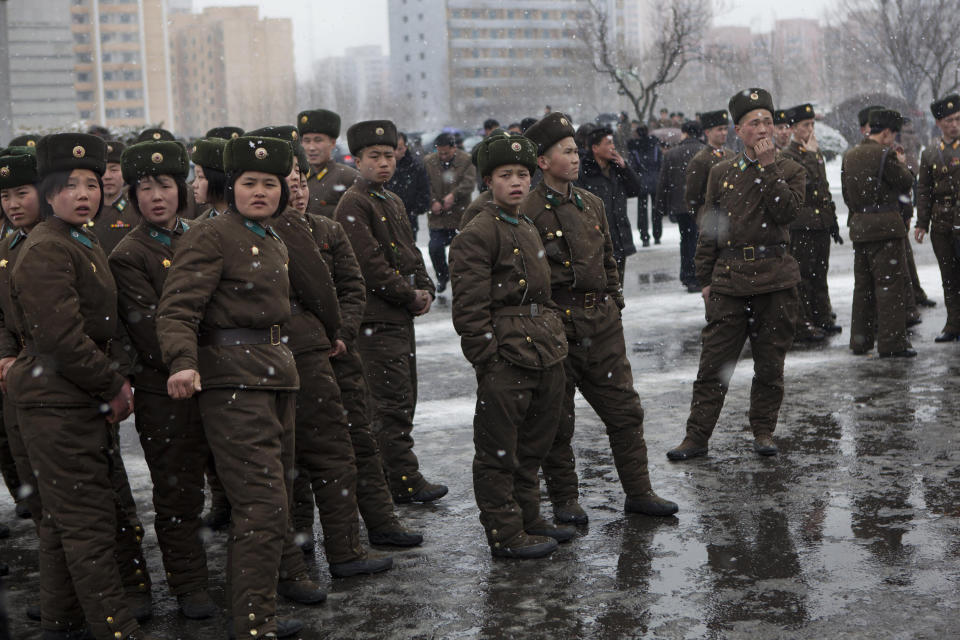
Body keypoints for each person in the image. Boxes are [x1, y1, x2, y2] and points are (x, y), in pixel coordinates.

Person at [7, 132, 160, 640]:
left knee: (62, 520)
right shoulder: (48, 248)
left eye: (91, 184)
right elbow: (61, 338)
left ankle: (60, 622)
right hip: (57, 399)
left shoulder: (79, 238)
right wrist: (113, 383)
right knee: (87, 524)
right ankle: (113, 628)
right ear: (48, 194)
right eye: (68, 185)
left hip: (68, 396)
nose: (83, 194)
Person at [157, 135, 306, 638]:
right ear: (233, 186)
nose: (260, 191)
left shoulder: (271, 236)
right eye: (249, 183)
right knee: (261, 504)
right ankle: (252, 624)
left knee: (275, 499)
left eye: (270, 183)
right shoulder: (211, 235)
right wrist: (181, 361)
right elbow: (179, 307)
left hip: (275, 374)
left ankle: (256, 612)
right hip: (232, 382)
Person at [522, 113, 678, 525]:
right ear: (542, 161)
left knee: (625, 411)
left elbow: (609, 259)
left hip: (602, 324)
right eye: (567, 152)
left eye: (576, 151)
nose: (575, 159)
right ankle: (565, 500)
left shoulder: (589, 202)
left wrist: (614, 302)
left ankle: (639, 492)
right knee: (559, 420)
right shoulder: (527, 211)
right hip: (558, 326)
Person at [289, 154, 425, 551]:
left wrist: (343, 332)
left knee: (360, 441)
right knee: (297, 457)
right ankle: (300, 542)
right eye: (288, 184)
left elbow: (352, 287)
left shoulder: (328, 229)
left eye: (300, 182)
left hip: (339, 352)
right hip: (295, 359)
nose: (296, 192)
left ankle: (381, 522)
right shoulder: (264, 238)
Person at [667, 88, 805, 461]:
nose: (763, 129)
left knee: (769, 366)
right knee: (713, 365)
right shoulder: (721, 172)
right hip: (730, 278)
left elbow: (786, 212)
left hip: (775, 278)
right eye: (754, 123)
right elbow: (709, 228)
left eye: (768, 122)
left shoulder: (790, 168)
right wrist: (705, 279)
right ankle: (696, 437)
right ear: (738, 130)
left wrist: (768, 168)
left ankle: (763, 432)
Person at [449, 132, 569, 559]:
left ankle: (530, 519)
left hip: (544, 349)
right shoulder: (478, 232)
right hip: (507, 354)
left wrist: (553, 328)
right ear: (488, 181)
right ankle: (504, 533)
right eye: (505, 175)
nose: (516, 182)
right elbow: (469, 309)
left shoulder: (527, 224)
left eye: (522, 174)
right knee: (499, 450)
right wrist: (489, 359)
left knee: (533, 444)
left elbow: (544, 292)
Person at [109, 140, 216, 620]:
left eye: (165, 186)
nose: (156, 196)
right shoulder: (129, 254)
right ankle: (189, 585)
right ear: (133, 196)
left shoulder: (202, 234)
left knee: (233, 483)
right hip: (164, 390)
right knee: (178, 492)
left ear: (180, 190)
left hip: (214, 381)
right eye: (146, 188)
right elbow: (151, 331)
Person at [334, 121, 448, 504]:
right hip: (375, 320)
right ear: (358, 159)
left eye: (388, 155)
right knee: (388, 404)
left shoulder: (391, 200)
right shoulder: (354, 202)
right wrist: (408, 294)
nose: (383, 163)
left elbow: (410, 253)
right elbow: (369, 265)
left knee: (404, 397)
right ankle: (401, 478)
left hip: (396, 317)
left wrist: (426, 287)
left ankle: (394, 474)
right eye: (374, 157)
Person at [841, 108, 917, 358]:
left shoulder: (850, 155)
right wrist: (905, 166)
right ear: (885, 132)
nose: (894, 139)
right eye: (893, 134)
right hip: (886, 228)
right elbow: (905, 182)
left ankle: (860, 340)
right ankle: (892, 343)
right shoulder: (886, 155)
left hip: (861, 228)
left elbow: (846, 194)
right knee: (889, 287)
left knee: (862, 287)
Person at [0, 146, 41, 526]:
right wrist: (6, 355)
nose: (13, 204)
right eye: (5, 196)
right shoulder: (8, 247)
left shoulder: (61, 239)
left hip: (57, 371)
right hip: (20, 370)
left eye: (22, 193)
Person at [780, 104, 841, 340]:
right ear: (794, 128)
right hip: (802, 223)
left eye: (812, 125)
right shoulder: (788, 155)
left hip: (819, 222)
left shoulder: (812, 152)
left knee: (820, 271)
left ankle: (822, 315)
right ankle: (803, 322)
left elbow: (823, 188)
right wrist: (814, 156)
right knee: (803, 274)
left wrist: (831, 218)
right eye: (806, 125)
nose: (810, 129)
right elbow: (806, 183)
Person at [915, 94, 960, 341]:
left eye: (957, 119)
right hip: (941, 224)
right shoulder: (930, 153)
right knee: (949, 277)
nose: (954, 124)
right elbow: (924, 191)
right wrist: (922, 223)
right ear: (939, 124)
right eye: (948, 121)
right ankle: (953, 324)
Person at [577, 126, 641, 285]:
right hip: (597, 240)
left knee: (618, 287)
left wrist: (625, 168)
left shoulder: (617, 169)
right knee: (602, 290)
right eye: (608, 143)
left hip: (619, 237)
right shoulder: (584, 172)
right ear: (595, 148)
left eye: (613, 143)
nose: (613, 147)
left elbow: (636, 190)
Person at [656, 118, 705, 292]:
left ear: (684, 133)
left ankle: (688, 275)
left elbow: (664, 182)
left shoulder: (671, 154)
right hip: (702, 205)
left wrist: (660, 207)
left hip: (681, 205)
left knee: (686, 240)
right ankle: (702, 274)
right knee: (702, 241)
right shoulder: (705, 151)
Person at [424, 132, 476, 292]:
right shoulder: (429, 162)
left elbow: (469, 183)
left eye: (446, 153)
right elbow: (425, 185)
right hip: (437, 217)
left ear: (454, 148)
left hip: (459, 215)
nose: (443, 156)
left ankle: (461, 280)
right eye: (440, 152)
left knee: (462, 252)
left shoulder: (466, 160)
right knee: (435, 248)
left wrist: (454, 195)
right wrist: (432, 201)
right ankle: (442, 276)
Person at [298, 108, 359, 217]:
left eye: (318, 140)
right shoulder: (296, 177)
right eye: (307, 141)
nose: (311, 147)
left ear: (332, 143)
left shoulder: (348, 177)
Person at [91, 140, 140, 256]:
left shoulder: (137, 209)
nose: (107, 177)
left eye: (114, 170)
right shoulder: (85, 209)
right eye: (102, 171)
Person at [386, 131, 431, 234]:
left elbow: (424, 193)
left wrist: (412, 211)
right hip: (386, 221)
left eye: (399, 148)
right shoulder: (382, 168)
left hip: (409, 221)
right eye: (393, 149)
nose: (396, 153)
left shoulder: (415, 167)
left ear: (406, 148)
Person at [627, 125, 662, 246]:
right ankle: (657, 235)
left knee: (642, 211)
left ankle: (644, 236)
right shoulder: (655, 147)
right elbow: (660, 164)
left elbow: (632, 167)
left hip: (641, 182)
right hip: (655, 181)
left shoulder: (635, 148)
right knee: (656, 210)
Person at [190, 137, 229, 221]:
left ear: (219, 178)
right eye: (195, 177)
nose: (194, 185)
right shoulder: (196, 226)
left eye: (200, 177)